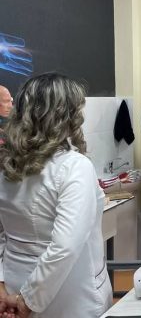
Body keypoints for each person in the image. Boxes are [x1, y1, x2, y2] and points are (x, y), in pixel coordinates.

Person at [0, 73, 112, 317]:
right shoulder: (74, 166)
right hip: (69, 296)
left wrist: (3, 287)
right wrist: (27, 300)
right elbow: (65, 246)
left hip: (13, 288)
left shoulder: (7, 163)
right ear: (65, 115)